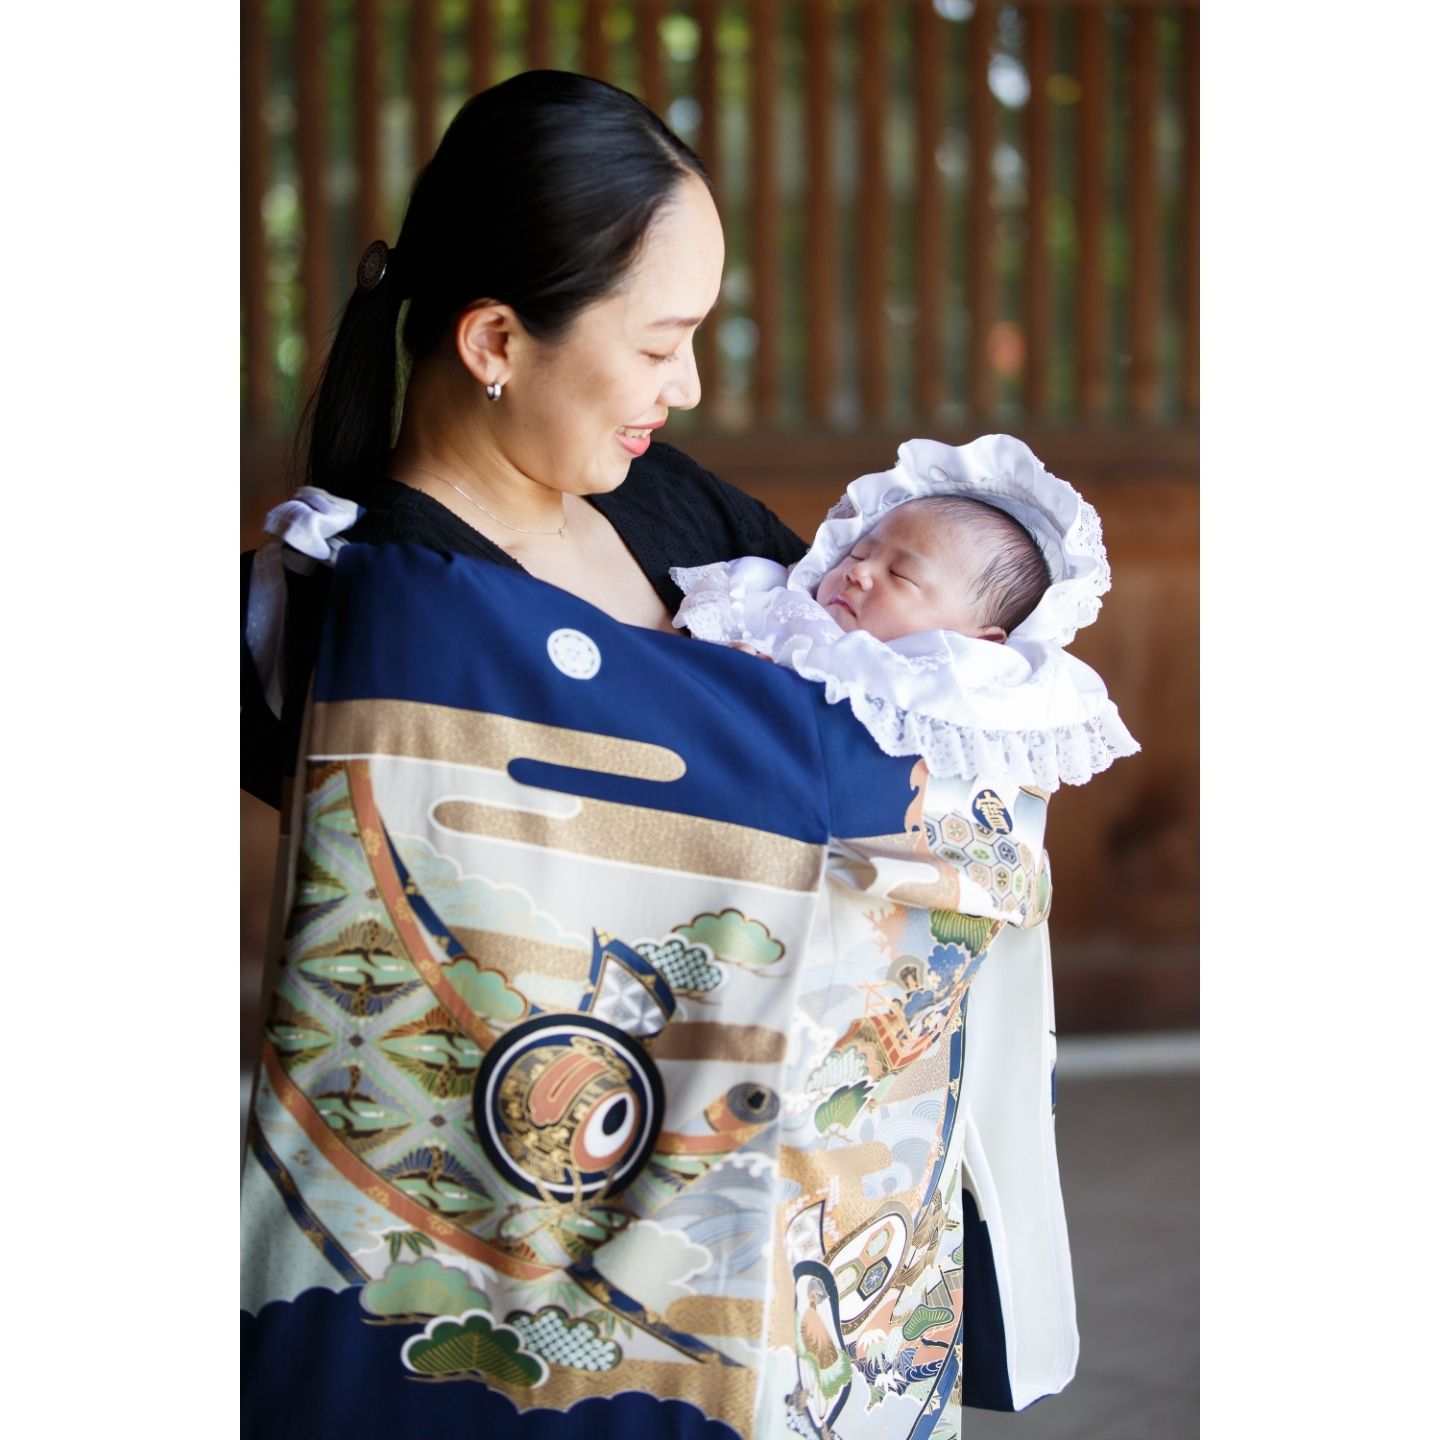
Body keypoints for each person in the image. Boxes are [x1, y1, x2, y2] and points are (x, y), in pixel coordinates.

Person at [242, 76, 1083, 1440]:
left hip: (805, 1236)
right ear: (498, 339)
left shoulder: (672, 504)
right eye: (658, 343)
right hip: (551, 1269)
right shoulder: (381, 609)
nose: (687, 386)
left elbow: (896, 692)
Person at [671, 433, 1140, 791]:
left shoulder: (952, 686)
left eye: (902, 576)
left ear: (982, 643)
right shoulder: (777, 600)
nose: (859, 573)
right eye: (857, 554)